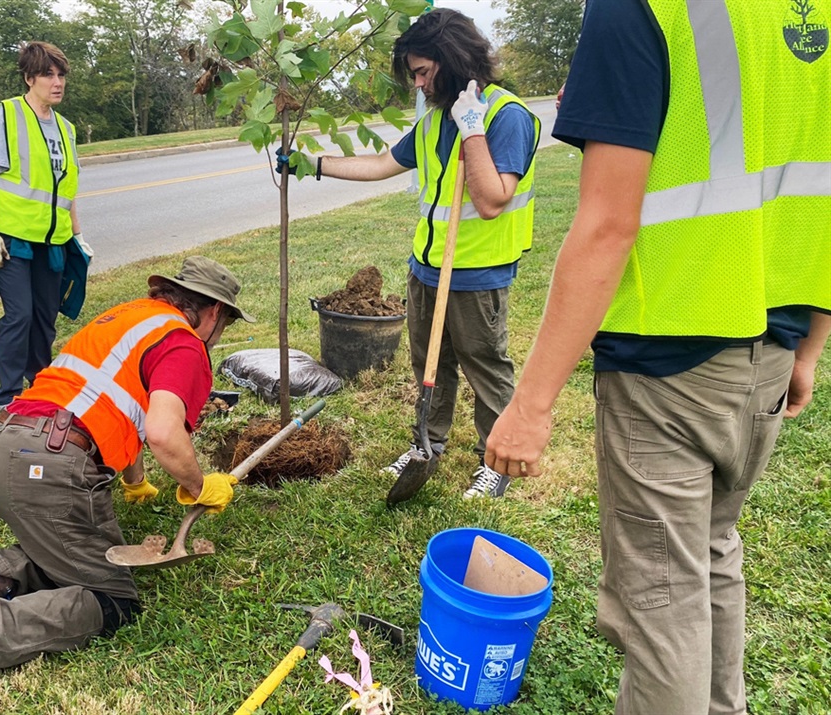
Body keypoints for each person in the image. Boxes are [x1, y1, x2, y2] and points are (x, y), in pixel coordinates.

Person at [484, 1, 829, 712]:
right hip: (772, 346)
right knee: (711, 549)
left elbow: (609, 224)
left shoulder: (641, 6)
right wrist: (811, 340)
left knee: (662, 598)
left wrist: (531, 404)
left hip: (668, 361)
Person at [0, 256, 256, 715]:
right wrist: (198, 483)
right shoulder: (184, 344)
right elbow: (165, 432)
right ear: (212, 312)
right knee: (111, 598)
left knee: (81, 553)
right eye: (224, 322)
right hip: (51, 470)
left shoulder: (128, 318)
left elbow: (112, 402)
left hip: (3, 450)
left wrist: (136, 481)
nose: (219, 332)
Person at [280, 8, 540, 499]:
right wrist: (311, 163)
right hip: (427, 268)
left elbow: (490, 200)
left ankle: (497, 459)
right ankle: (427, 445)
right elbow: (381, 164)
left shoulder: (506, 117)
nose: (418, 85)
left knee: (486, 368)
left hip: (477, 274)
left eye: (423, 72)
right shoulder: (435, 118)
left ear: (453, 59)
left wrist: (473, 130)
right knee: (430, 367)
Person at [0, 40, 94, 411]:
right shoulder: (5, 115)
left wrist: (78, 234)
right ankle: (7, 397)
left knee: (45, 315)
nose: (57, 83)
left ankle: (40, 382)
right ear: (29, 78)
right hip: (11, 239)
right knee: (20, 313)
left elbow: (67, 187)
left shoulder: (66, 128)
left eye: (61, 75)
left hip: (51, 240)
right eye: (47, 75)